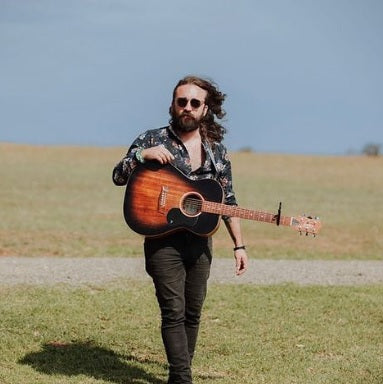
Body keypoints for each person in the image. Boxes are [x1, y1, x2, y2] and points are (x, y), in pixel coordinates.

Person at [113, 75, 248, 384]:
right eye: (181, 101)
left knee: (192, 312)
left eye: (194, 103)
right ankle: (181, 378)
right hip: (162, 240)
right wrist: (138, 156)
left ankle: (181, 370)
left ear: (205, 109)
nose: (187, 107)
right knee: (173, 310)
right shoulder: (152, 139)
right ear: (172, 105)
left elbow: (228, 200)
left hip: (201, 242)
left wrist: (239, 245)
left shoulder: (216, 151)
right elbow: (118, 176)